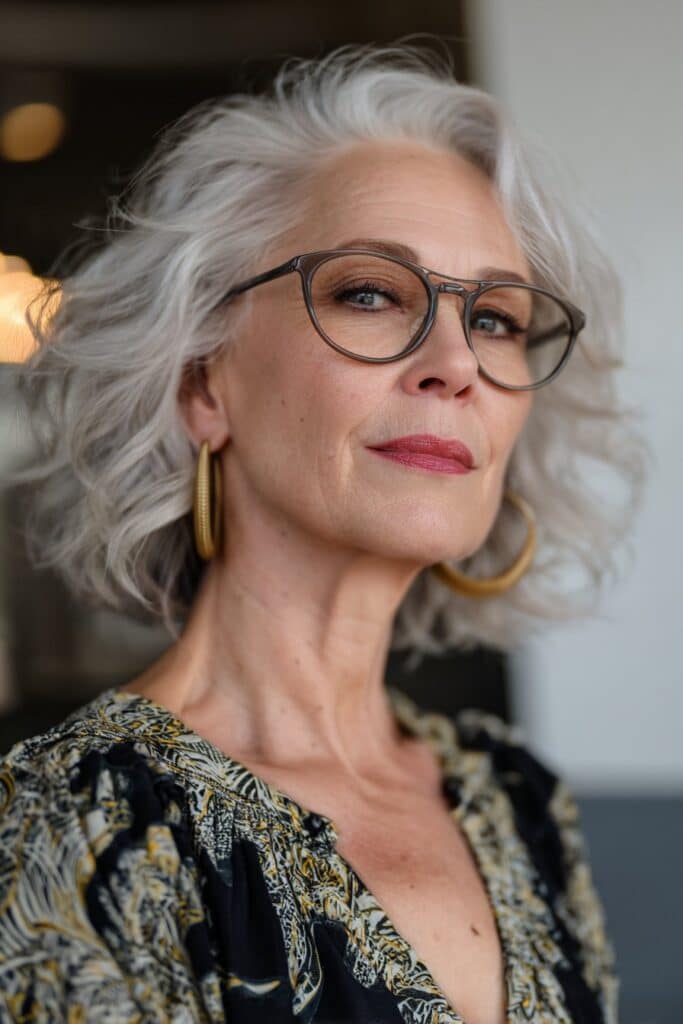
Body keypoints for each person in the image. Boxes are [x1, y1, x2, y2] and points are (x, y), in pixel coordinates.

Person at [0, 42, 645, 1024]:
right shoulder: (68, 828)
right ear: (202, 380)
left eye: (499, 319)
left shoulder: (516, 798)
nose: (454, 364)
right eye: (371, 293)